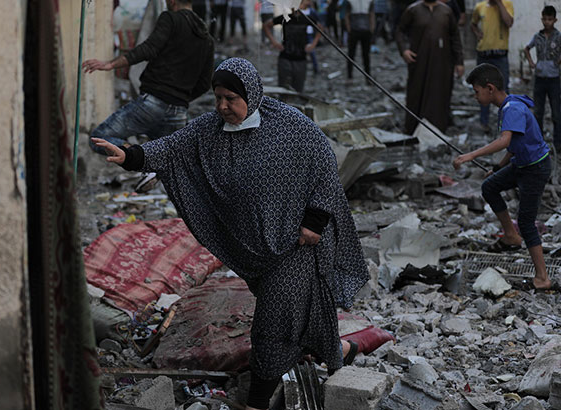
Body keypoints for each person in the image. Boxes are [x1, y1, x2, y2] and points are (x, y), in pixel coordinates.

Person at [92, 57, 369, 409]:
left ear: (251, 95)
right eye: (217, 97)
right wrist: (131, 156)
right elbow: (171, 149)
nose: (222, 106)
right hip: (256, 249)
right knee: (303, 311)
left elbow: (325, 167)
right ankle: (342, 350)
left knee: (273, 323)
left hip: (297, 244)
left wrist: (314, 223)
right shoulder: (209, 129)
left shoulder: (290, 126)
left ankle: (255, 402)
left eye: (231, 99)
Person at [82, 0, 214, 189]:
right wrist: (180, 98)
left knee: (100, 137)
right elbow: (204, 83)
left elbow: (149, 48)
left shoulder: (171, 18)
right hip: (178, 113)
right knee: (170, 166)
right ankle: (151, 166)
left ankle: (137, 156)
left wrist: (110, 64)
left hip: (152, 104)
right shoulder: (206, 37)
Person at [453, 63, 554, 291]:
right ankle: (510, 235)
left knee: (527, 222)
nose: (475, 95)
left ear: (490, 88)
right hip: (521, 163)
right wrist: (499, 167)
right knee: (489, 186)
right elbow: (516, 142)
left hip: (535, 168)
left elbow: (505, 140)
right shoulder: (508, 106)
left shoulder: (512, 109)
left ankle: (542, 277)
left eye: (476, 91)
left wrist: (470, 155)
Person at [395, 0, 464, 134]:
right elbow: (399, 31)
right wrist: (404, 50)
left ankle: (438, 129)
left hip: (443, 62)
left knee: (440, 93)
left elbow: (455, 37)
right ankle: (413, 129)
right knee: (416, 93)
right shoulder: (413, 10)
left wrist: (459, 61)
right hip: (419, 61)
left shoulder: (446, 11)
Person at [471, 0, 514, 132]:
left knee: (503, 88)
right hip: (483, 54)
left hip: (500, 55)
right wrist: (477, 33)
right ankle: (484, 123)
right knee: (482, 89)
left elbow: (509, 23)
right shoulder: (480, 6)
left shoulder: (506, 4)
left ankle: (508, 123)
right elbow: (473, 24)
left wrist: (499, 4)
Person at [263, 0, 323, 92]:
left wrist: (313, 44)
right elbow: (266, 25)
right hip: (285, 59)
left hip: (301, 59)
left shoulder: (306, 19)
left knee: (298, 89)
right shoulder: (285, 18)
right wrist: (274, 42)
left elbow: (320, 28)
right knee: (283, 88)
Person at [525, 5, 561, 153]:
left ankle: (557, 143)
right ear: (542, 19)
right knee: (538, 112)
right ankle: (538, 142)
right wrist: (531, 63)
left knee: (556, 113)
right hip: (539, 78)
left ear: (555, 20)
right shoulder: (537, 36)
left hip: (554, 79)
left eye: (550, 19)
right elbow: (527, 48)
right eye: (545, 19)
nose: (547, 22)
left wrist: (557, 62)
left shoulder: (558, 37)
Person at [345, 0, 375, 81]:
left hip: (366, 31)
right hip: (354, 31)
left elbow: (371, 15)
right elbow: (347, 15)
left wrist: (371, 29)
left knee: (366, 55)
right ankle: (349, 76)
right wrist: (349, 30)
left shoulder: (369, 1)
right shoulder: (350, 1)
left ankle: (367, 76)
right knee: (351, 54)